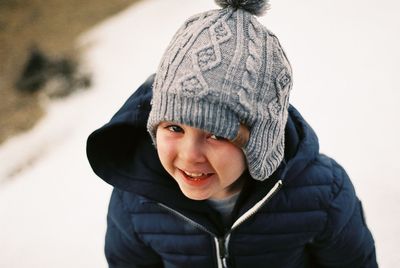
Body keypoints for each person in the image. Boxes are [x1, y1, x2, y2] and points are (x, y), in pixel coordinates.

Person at [86, 0, 378, 267]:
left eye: (217, 134)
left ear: (260, 143)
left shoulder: (324, 192)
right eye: (174, 128)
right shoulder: (134, 201)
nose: (189, 155)